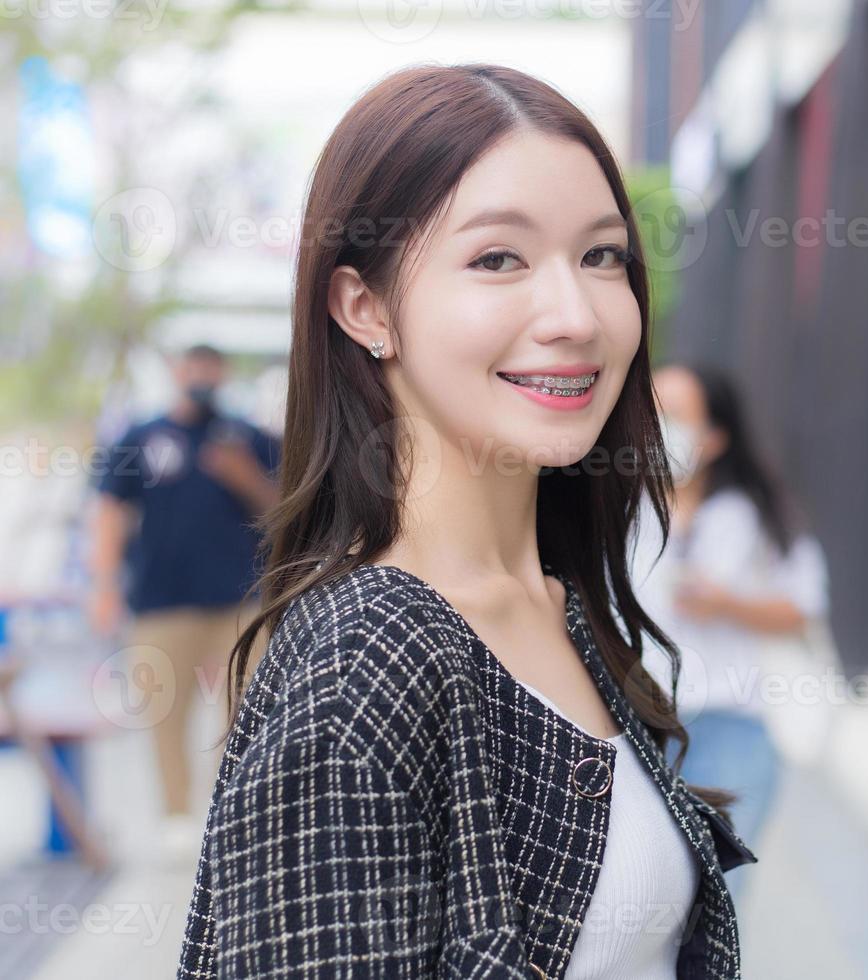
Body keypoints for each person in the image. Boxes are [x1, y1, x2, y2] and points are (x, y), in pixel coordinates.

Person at [176, 65, 755, 980]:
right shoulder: (367, 659)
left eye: (603, 256)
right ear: (364, 307)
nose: (575, 316)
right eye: (498, 259)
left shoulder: (566, 607)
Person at [629, 362, 832, 906]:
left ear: (714, 438)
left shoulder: (750, 515)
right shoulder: (626, 510)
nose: (656, 427)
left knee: (719, 904)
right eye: (650, 412)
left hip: (728, 728)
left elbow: (805, 605)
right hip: (637, 731)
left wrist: (728, 605)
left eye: (672, 416)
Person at [89, 342, 280, 863]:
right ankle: (176, 817)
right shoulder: (141, 437)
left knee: (247, 714)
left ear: (222, 374)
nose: (201, 377)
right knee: (164, 714)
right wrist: (103, 587)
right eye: (192, 367)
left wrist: (246, 478)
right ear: (177, 372)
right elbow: (109, 511)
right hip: (161, 603)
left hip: (241, 603)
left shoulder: (253, 440)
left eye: (211, 368)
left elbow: (288, 511)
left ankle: (241, 818)